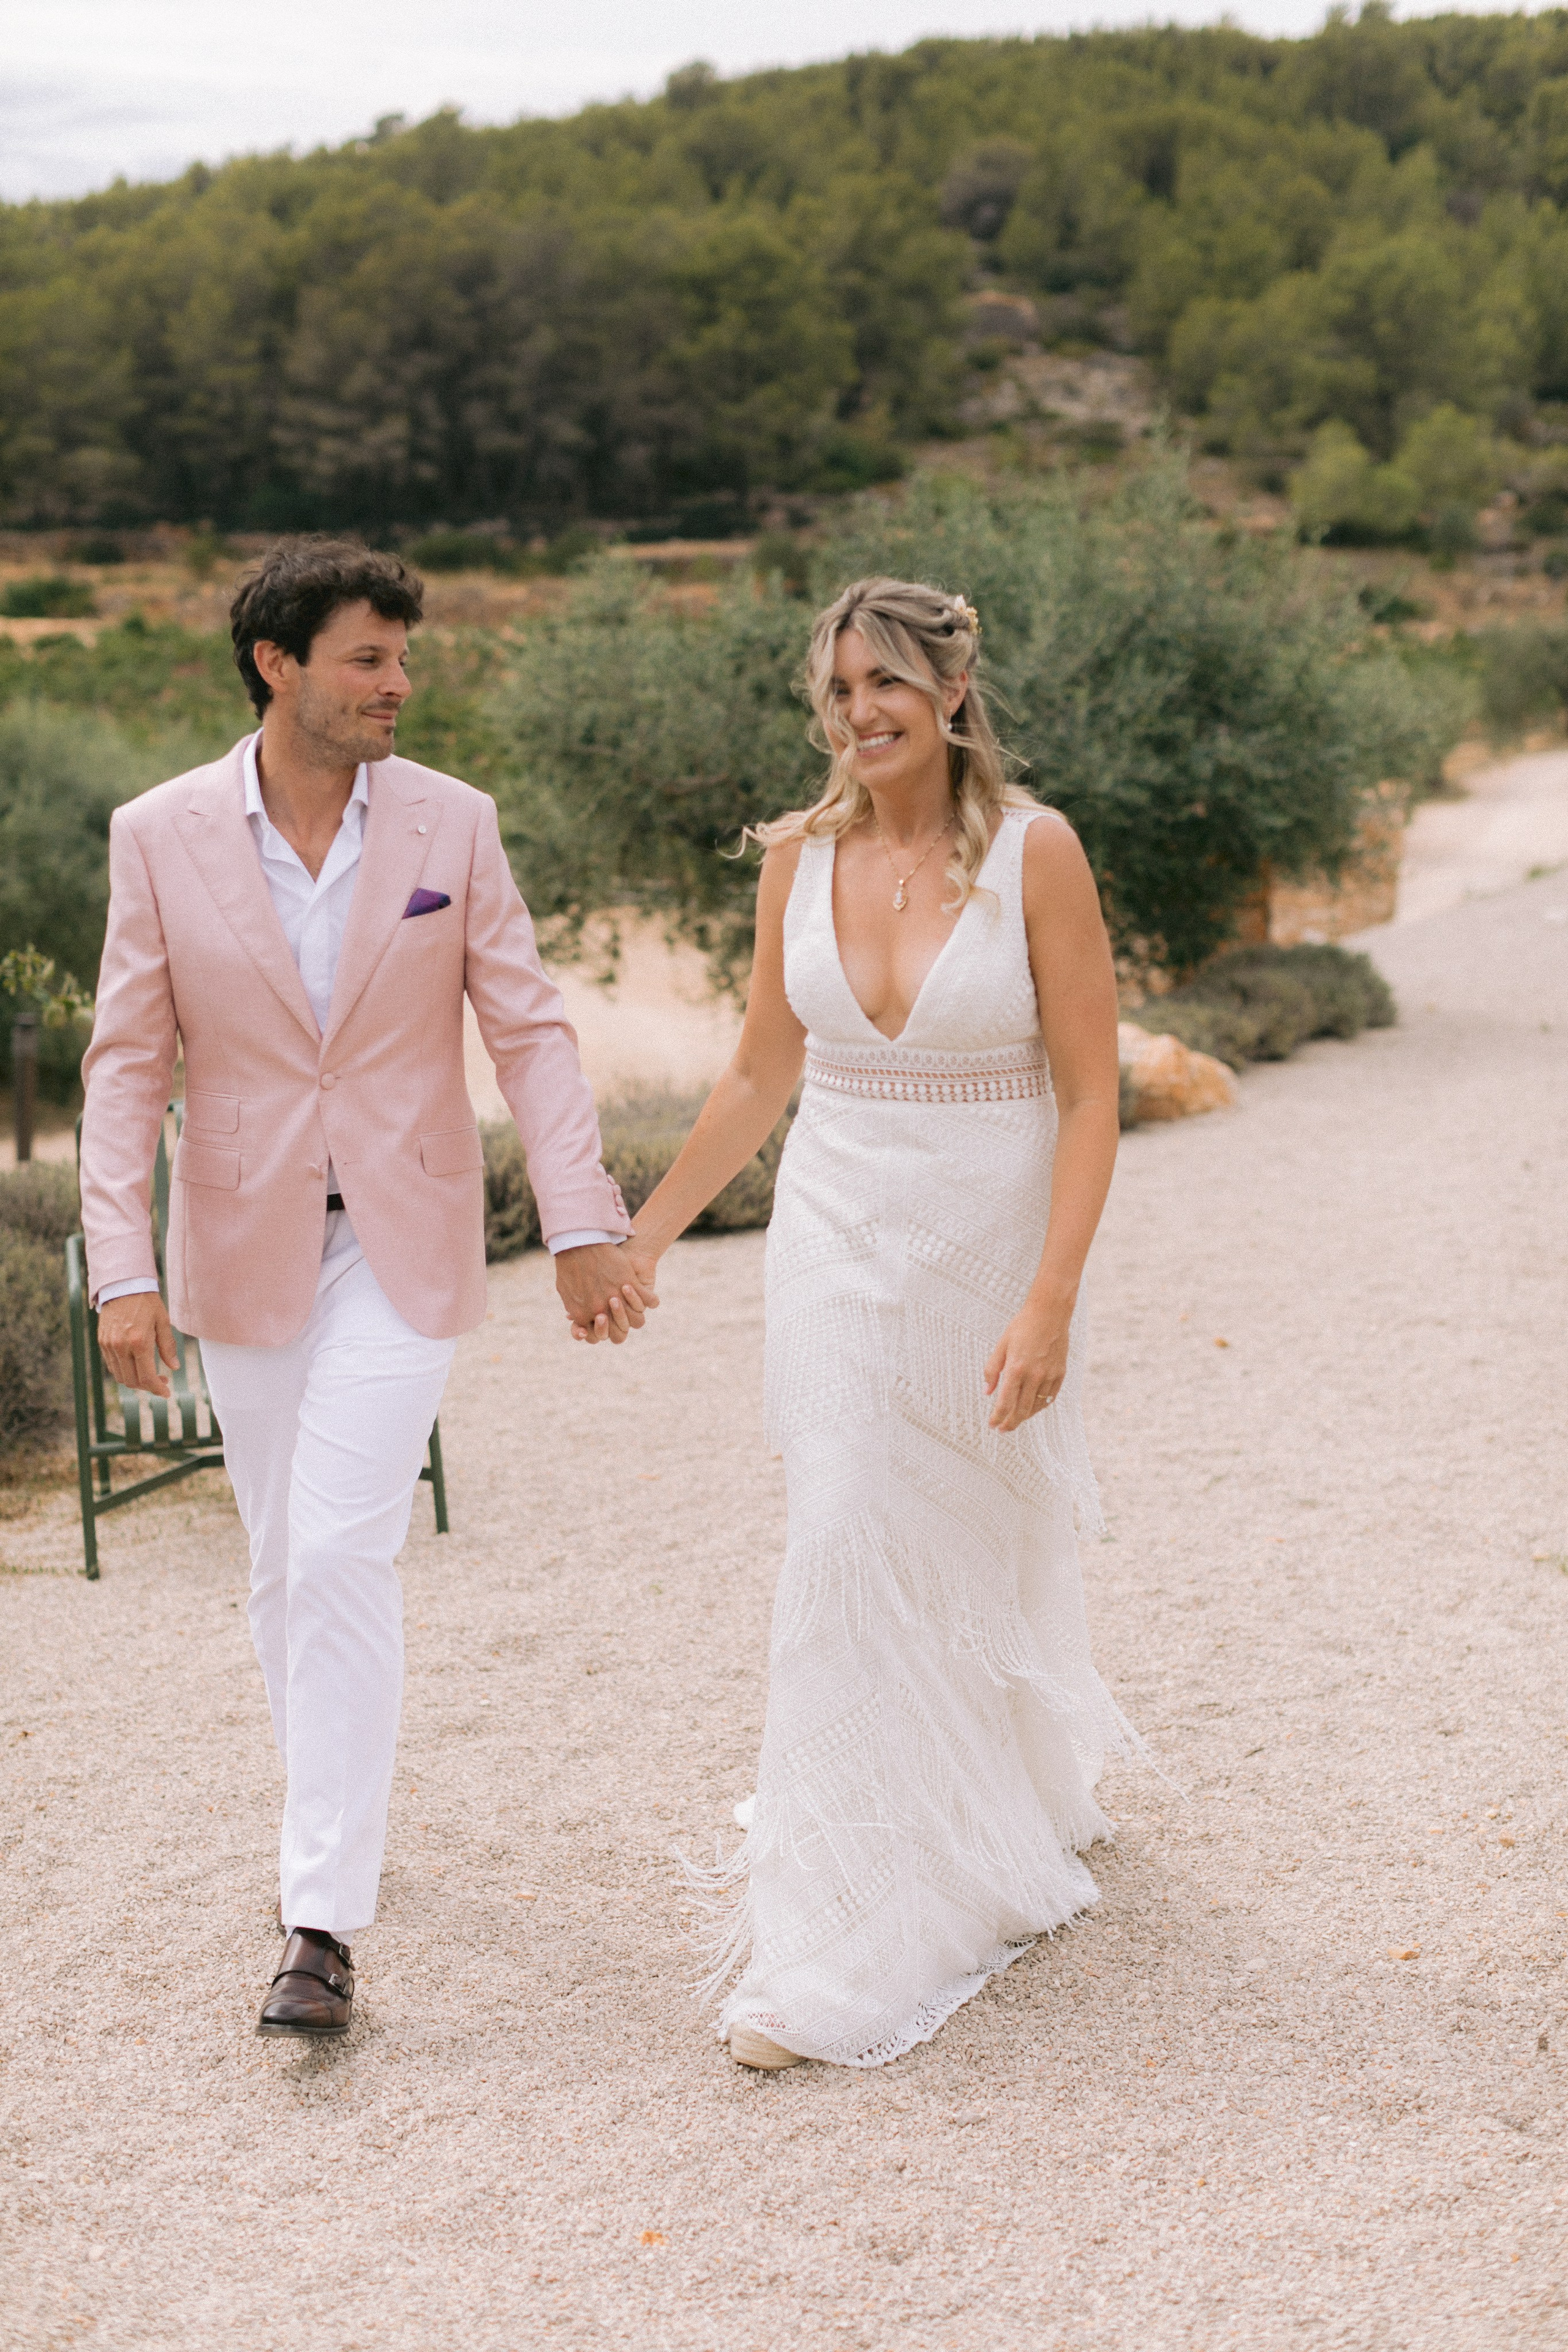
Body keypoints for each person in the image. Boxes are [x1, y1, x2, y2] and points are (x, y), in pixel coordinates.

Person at [79, 538, 652, 2039]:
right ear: (278, 665)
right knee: (278, 1571)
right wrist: (118, 1271)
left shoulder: (453, 825)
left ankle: (319, 1921)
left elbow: (525, 1031)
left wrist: (583, 1219)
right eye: (369, 660)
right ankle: (333, 1813)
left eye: (404, 659)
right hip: (239, 1244)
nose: (400, 685)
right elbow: (127, 1064)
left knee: (339, 1552)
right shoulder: (158, 833)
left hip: (402, 1244)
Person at [594, 575, 1138, 2070]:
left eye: (883, 684)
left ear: (951, 691)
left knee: (958, 1546)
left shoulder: (1038, 855)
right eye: (836, 691)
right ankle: (837, 1934)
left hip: (983, 1258)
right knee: (839, 1535)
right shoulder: (796, 858)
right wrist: (642, 1232)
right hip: (829, 1248)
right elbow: (760, 1075)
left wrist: (1048, 1301)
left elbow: (1091, 1092)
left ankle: (984, 1814)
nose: (859, 714)